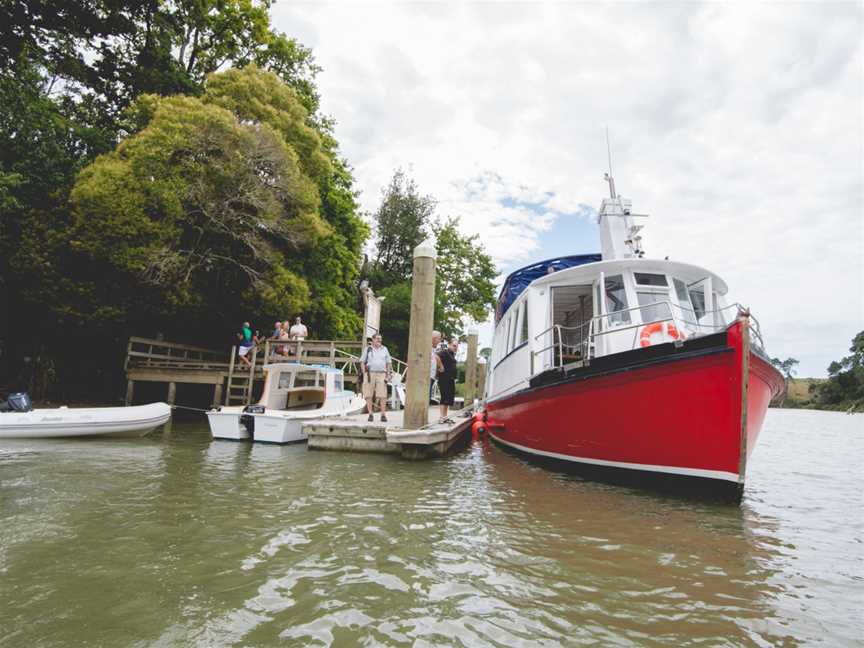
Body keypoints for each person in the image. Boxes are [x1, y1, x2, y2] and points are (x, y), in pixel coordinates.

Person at [361, 333, 392, 422]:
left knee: (383, 394)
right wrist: (364, 373)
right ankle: (370, 414)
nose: (379, 340)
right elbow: (362, 362)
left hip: (382, 374)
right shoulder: (368, 349)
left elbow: (388, 363)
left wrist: (388, 374)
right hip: (369, 373)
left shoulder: (385, 349)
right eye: (377, 338)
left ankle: (383, 414)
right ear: (373, 339)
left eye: (380, 339)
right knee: (368, 394)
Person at [436, 338, 458, 423]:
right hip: (444, 378)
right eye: (454, 346)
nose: (455, 348)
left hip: (450, 379)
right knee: (444, 397)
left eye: (456, 346)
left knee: (448, 398)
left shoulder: (452, 354)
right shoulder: (445, 352)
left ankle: (445, 417)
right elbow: (436, 356)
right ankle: (441, 417)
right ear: (449, 345)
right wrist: (440, 366)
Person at [430, 330, 443, 401]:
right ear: (434, 338)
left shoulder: (434, 349)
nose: (440, 341)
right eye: (439, 339)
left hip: (431, 377)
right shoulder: (427, 347)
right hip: (426, 377)